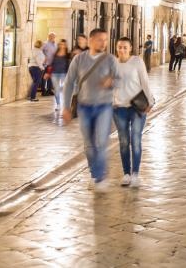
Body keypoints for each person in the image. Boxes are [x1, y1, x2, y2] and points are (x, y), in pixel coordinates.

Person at [62, 28, 121, 191]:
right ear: (90, 41)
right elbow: (68, 83)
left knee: (101, 142)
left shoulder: (110, 60)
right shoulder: (79, 60)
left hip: (104, 107)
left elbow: (121, 81)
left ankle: (100, 178)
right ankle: (95, 174)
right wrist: (65, 107)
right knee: (89, 145)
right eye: (100, 39)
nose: (103, 43)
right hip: (84, 107)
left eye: (105, 40)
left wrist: (112, 82)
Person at [113, 37, 155, 188]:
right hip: (119, 108)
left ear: (130, 48)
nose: (122, 49)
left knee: (135, 140)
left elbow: (145, 81)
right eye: (119, 47)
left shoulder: (137, 61)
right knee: (124, 142)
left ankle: (136, 174)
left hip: (137, 107)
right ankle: (126, 174)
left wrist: (150, 101)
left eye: (125, 47)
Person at [50, 40, 70, 115]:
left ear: (65, 45)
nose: (62, 46)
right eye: (60, 44)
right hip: (54, 73)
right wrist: (48, 73)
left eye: (63, 44)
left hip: (64, 74)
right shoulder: (55, 54)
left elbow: (70, 63)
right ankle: (58, 104)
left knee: (65, 89)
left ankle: (66, 104)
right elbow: (52, 64)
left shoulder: (68, 54)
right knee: (57, 89)